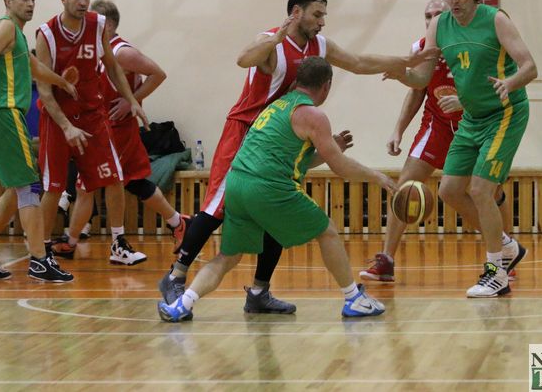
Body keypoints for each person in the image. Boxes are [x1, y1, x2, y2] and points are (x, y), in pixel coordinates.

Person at [159, 0, 435, 313]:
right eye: (317, 14)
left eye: (324, 15)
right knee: (217, 207)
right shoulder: (273, 42)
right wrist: (276, 38)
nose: (322, 21)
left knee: (274, 217)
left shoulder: (319, 45)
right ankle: (176, 275)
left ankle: (259, 291)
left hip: (285, 133)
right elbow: (243, 59)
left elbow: (358, 62)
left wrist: (404, 61)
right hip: (248, 130)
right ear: (296, 12)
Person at [158, 57, 393, 322]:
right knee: (327, 230)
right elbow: (341, 167)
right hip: (267, 187)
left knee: (228, 257)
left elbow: (296, 160)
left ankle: (181, 305)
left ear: (297, 81)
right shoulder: (313, 115)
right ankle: (353, 298)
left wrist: (331, 149)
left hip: (237, 183)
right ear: (326, 86)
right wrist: (376, 176)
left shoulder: (278, 105)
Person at [390, 0, 537, 297]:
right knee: (449, 190)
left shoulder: (496, 19)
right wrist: (400, 73)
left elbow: (530, 67)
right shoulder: (439, 26)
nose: (453, 1)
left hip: (505, 113)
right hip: (472, 116)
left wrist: (509, 83)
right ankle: (507, 246)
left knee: (481, 189)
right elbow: (421, 78)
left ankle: (496, 273)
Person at [360, 0, 514, 283]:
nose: (432, 20)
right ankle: (386, 260)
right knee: (405, 185)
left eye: (437, 14)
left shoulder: (473, 43)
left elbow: (492, 86)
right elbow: (417, 89)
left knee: (489, 192)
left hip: (476, 122)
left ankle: (504, 254)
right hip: (438, 125)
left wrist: (466, 103)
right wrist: (398, 129)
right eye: (427, 15)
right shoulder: (421, 49)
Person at [52, 0, 188, 259]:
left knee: (86, 185)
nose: (87, 26)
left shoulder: (122, 52)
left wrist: (131, 100)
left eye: (93, 21)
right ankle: (178, 222)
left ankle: (75, 242)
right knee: (134, 183)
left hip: (118, 129)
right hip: (105, 126)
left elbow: (158, 74)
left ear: (108, 25)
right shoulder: (98, 51)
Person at [0, 0, 77, 282]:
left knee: (16, 189)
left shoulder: (17, 36)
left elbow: (33, 67)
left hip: (2, 115)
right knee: (29, 186)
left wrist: (62, 82)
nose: (30, 4)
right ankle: (39, 259)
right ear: (8, 1)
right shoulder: (4, 28)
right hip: (3, 113)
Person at [35, 0, 149, 266]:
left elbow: (112, 67)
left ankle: (118, 244)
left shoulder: (97, 24)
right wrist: (66, 127)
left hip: (91, 116)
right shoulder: (47, 34)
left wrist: (132, 100)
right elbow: (44, 90)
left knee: (114, 178)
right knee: (54, 187)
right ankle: (42, 252)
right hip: (58, 119)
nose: (83, 2)